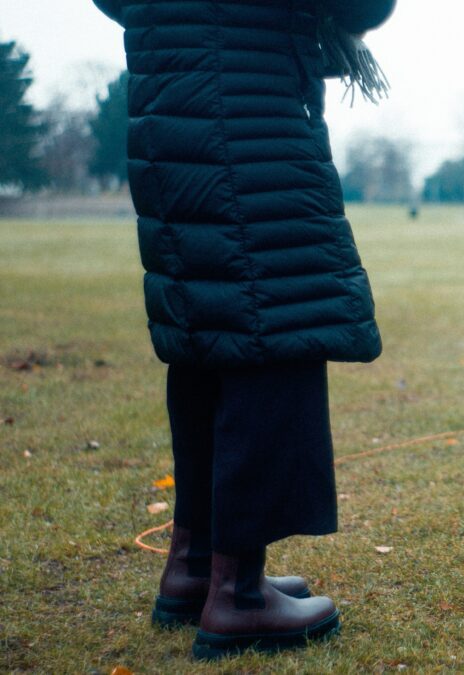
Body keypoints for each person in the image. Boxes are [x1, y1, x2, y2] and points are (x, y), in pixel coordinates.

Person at [91, 0, 395, 660]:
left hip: (169, 104)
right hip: (247, 110)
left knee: (213, 330)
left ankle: (197, 566)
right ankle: (241, 595)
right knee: (274, 326)